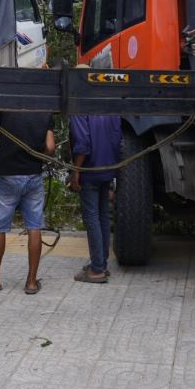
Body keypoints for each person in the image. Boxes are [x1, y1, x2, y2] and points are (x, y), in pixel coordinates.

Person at [0, 110, 55, 295]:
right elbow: (51, 147)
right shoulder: (44, 109)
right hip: (33, 175)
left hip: (7, 175)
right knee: (34, 227)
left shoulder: (5, 102)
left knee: (0, 228)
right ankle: (31, 282)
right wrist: (38, 156)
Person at [70, 110, 123, 284]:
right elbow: (117, 140)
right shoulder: (110, 109)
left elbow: (83, 143)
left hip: (90, 169)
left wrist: (76, 170)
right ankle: (101, 263)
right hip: (107, 168)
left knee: (92, 217)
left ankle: (97, 270)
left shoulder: (79, 110)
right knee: (103, 216)